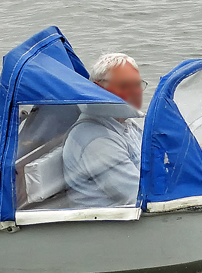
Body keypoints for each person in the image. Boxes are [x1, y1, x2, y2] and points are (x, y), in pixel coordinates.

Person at [63, 53, 147, 208]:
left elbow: (155, 159)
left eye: (138, 84)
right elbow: (139, 196)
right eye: (125, 85)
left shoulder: (124, 121)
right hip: (106, 226)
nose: (136, 92)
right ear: (99, 89)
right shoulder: (96, 139)